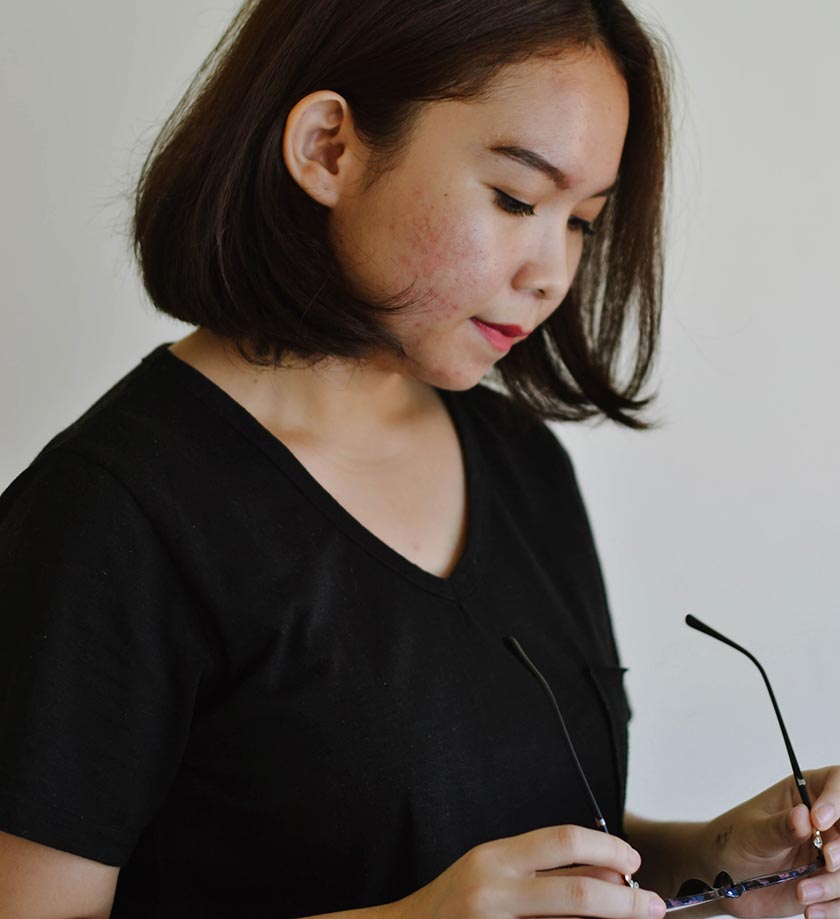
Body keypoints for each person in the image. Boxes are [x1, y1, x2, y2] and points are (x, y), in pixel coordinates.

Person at [0, 0, 837, 917]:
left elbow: (495, 832)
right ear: (328, 148)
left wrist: (726, 863)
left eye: (583, 221)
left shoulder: (519, 461)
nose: (552, 271)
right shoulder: (109, 514)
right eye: (517, 198)